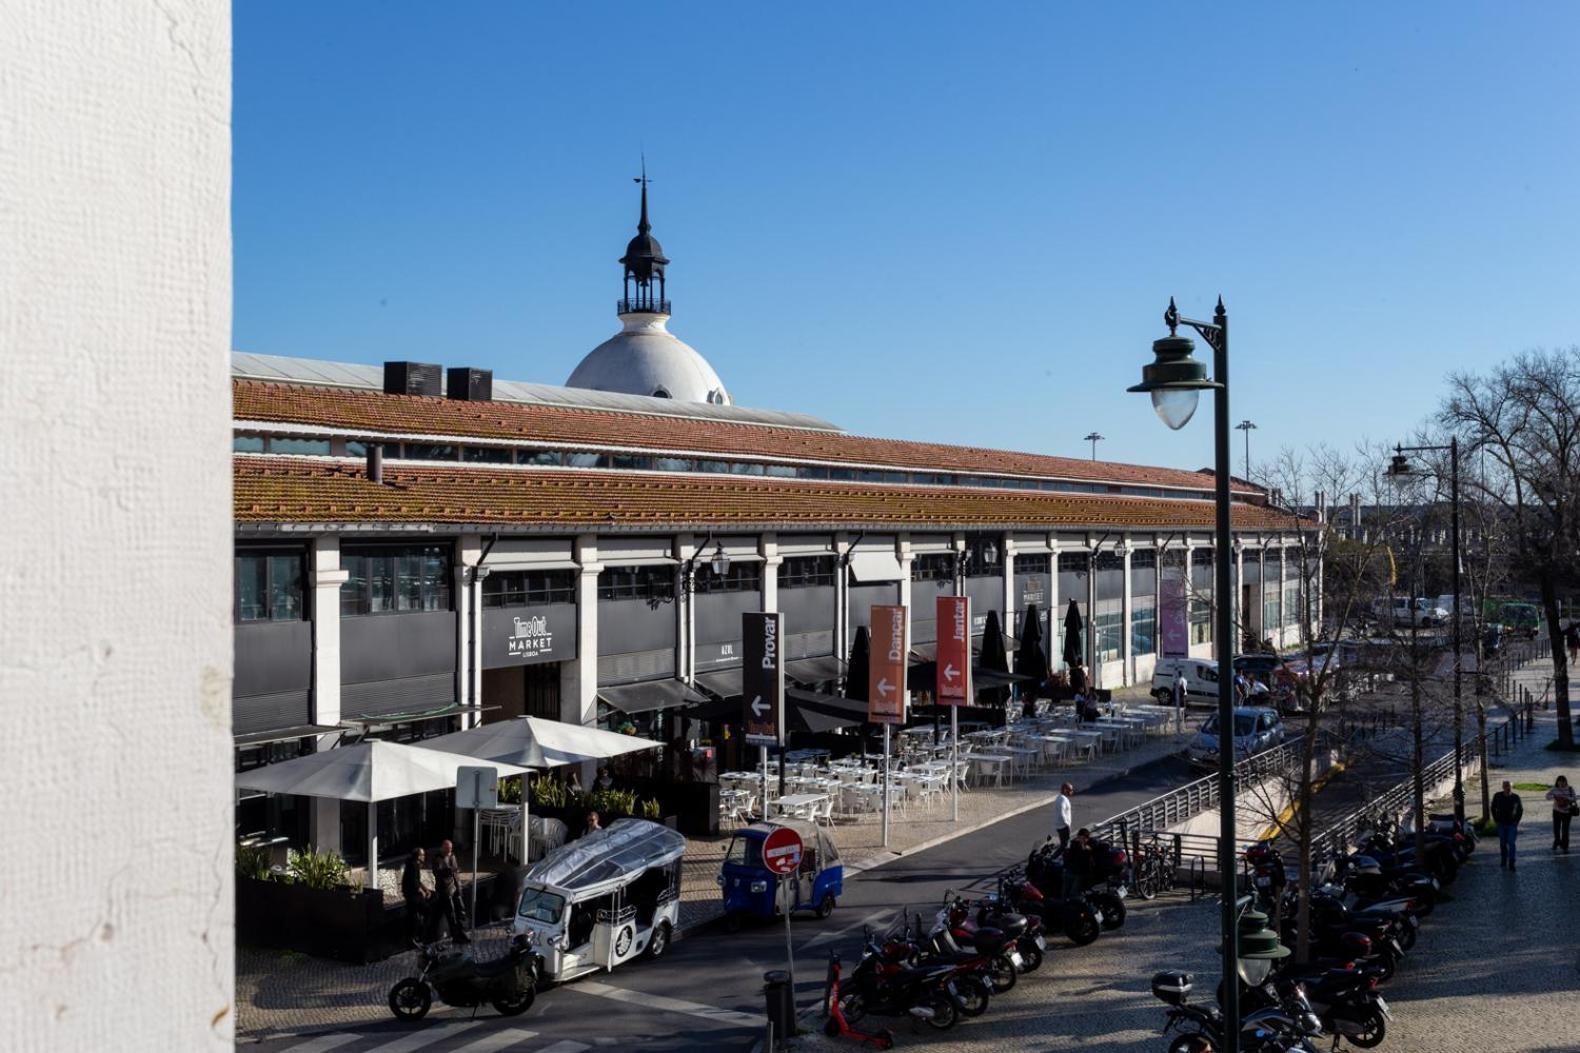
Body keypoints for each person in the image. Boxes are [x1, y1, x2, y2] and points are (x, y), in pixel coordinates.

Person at [433, 838, 469, 942]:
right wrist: (449, 871)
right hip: (445, 889)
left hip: (456, 887)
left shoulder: (452, 856)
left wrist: (459, 886)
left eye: (450, 849)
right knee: (451, 913)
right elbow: (437, 873)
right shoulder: (438, 858)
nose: (449, 851)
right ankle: (455, 936)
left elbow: (456, 872)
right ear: (443, 848)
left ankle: (462, 932)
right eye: (447, 849)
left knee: (461, 911)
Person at [401, 847, 434, 944]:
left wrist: (425, 889)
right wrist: (422, 892)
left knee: (415, 915)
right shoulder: (413, 865)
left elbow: (417, 881)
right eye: (423, 855)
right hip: (412, 895)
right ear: (418, 856)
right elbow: (414, 882)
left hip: (413, 894)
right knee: (426, 911)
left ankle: (416, 936)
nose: (424, 857)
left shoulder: (415, 864)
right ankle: (418, 936)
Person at [1492, 780, 1524, 870]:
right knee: (1503, 843)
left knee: (1511, 843)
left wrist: (1516, 821)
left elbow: (1520, 810)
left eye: (1509, 786)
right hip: (1501, 823)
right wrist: (1496, 819)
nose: (1507, 788)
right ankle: (1503, 859)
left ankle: (1512, 861)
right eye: (1505, 786)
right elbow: (1493, 808)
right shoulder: (1497, 796)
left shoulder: (1516, 797)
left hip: (1512, 824)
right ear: (1502, 787)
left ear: (1511, 787)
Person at [1545, 775, 1575, 853]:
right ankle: (1557, 842)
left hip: (1567, 812)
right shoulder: (1554, 789)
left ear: (1566, 782)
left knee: (1565, 830)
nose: (1561, 783)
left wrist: (1566, 799)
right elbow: (1547, 796)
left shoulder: (1570, 789)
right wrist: (1555, 798)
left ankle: (1565, 846)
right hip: (1556, 812)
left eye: (1563, 782)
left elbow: (1574, 798)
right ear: (1557, 782)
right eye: (1560, 782)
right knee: (1556, 829)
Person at [1062, 827, 1094, 900]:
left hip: (1074, 872)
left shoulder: (1079, 845)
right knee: (1069, 892)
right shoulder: (1077, 845)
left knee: (1069, 893)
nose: (1082, 840)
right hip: (1074, 872)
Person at [1052, 783, 1075, 851]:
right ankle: (1053, 858)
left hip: (1061, 825)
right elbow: (1061, 813)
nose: (1072, 792)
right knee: (1064, 845)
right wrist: (1067, 824)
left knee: (1064, 844)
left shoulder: (1060, 798)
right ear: (1065, 790)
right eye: (1070, 790)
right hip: (1063, 826)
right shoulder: (1062, 800)